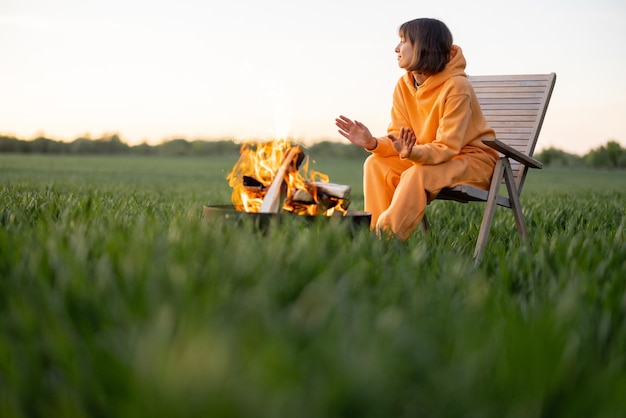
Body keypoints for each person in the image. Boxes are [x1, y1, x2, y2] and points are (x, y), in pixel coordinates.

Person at [335, 17, 498, 241]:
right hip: (429, 157)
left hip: (472, 162)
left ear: (423, 46)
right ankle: (374, 232)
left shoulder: (457, 87)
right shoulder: (404, 84)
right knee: (376, 163)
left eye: (403, 41)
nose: (396, 48)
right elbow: (400, 137)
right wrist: (373, 143)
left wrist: (412, 153)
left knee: (417, 173)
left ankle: (383, 240)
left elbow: (448, 147)